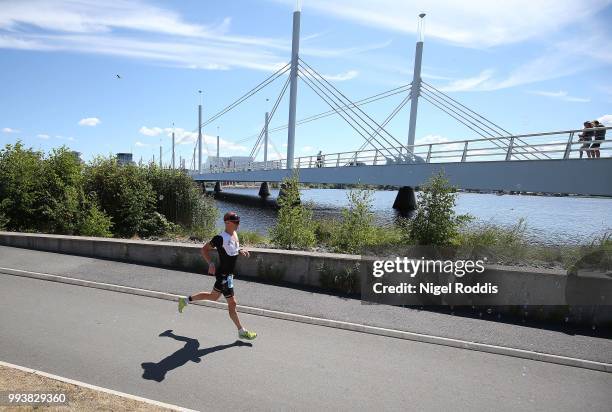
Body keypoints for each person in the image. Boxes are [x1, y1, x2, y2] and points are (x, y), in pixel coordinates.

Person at [178, 212, 257, 340]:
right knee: (233, 303)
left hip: (229, 275)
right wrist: (211, 263)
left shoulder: (235, 234)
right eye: (235, 222)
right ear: (227, 223)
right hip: (223, 276)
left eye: (238, 222)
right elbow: (204, 249)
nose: (238, 224)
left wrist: (240, 250)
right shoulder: (220, 238)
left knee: (213, 296)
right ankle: (241, 331)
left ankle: (185, 300)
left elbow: (233, 248)